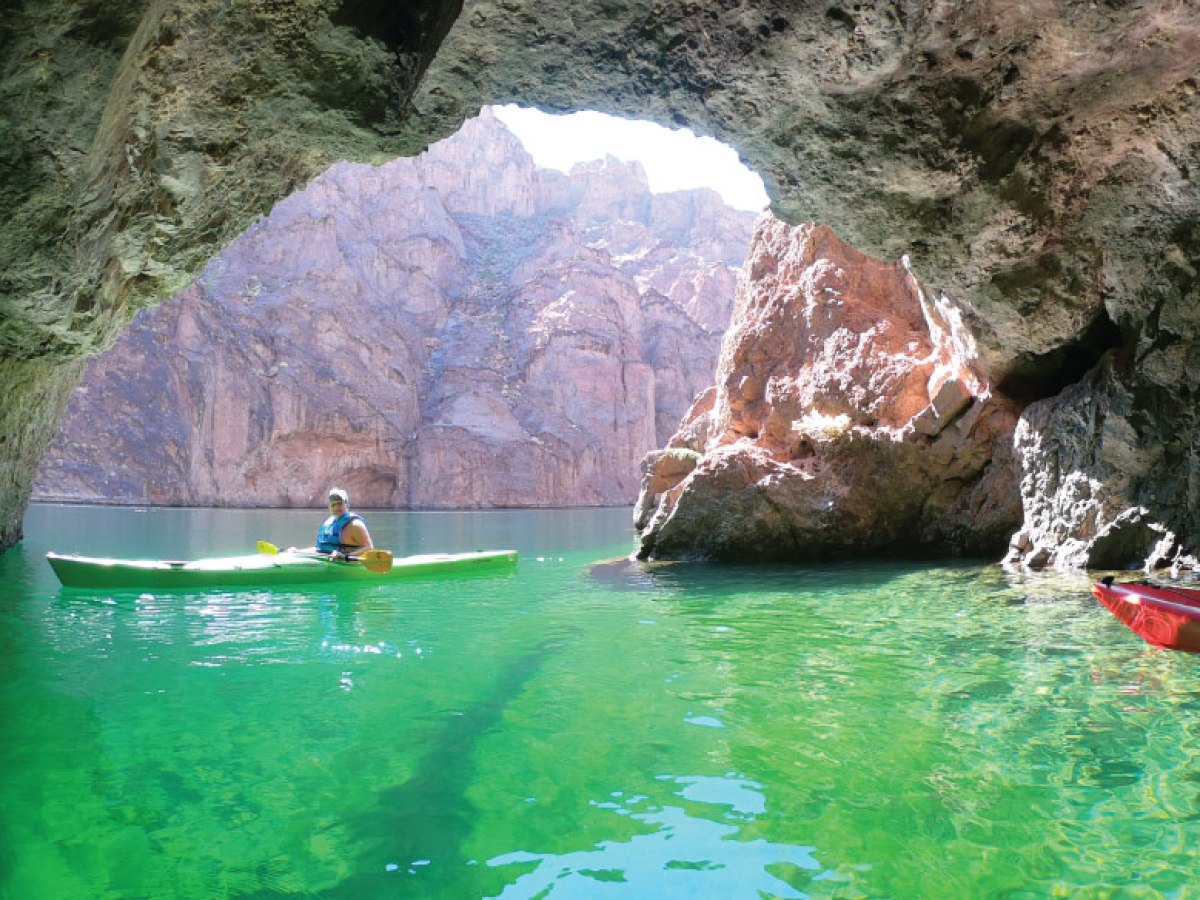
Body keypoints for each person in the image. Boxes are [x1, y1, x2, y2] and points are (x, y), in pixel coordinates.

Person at [314, 488, 373, 559]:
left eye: (339, 504)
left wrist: (344, 556)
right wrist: (298, 552)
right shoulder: (328, 523)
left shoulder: (356, 524)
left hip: (347, 563)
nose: (336, 507)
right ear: (329, 506)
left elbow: (369, 548)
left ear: (347, 505)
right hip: (327, 560)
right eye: (333, 505)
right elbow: (319, 550)